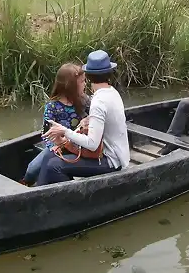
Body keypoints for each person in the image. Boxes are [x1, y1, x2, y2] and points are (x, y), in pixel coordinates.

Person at [35, 50, 130, 186]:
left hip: (111, 160)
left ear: (89, 76)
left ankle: (66, 197)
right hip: (117, 154)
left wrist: (65, 131)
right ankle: (40, 192)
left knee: (53, 166)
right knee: (51, 157)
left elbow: (92, 144)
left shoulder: (98, 101)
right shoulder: (112, 92)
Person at [21, 63, 90, 185]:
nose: (85, 84)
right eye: (82, 82)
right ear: (70, 86)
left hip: (79, 145)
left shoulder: (85, 101)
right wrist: (51, 145)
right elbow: (45, 132)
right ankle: (25, 185)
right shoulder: (52, 106)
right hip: (58, 145)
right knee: (32, 168)